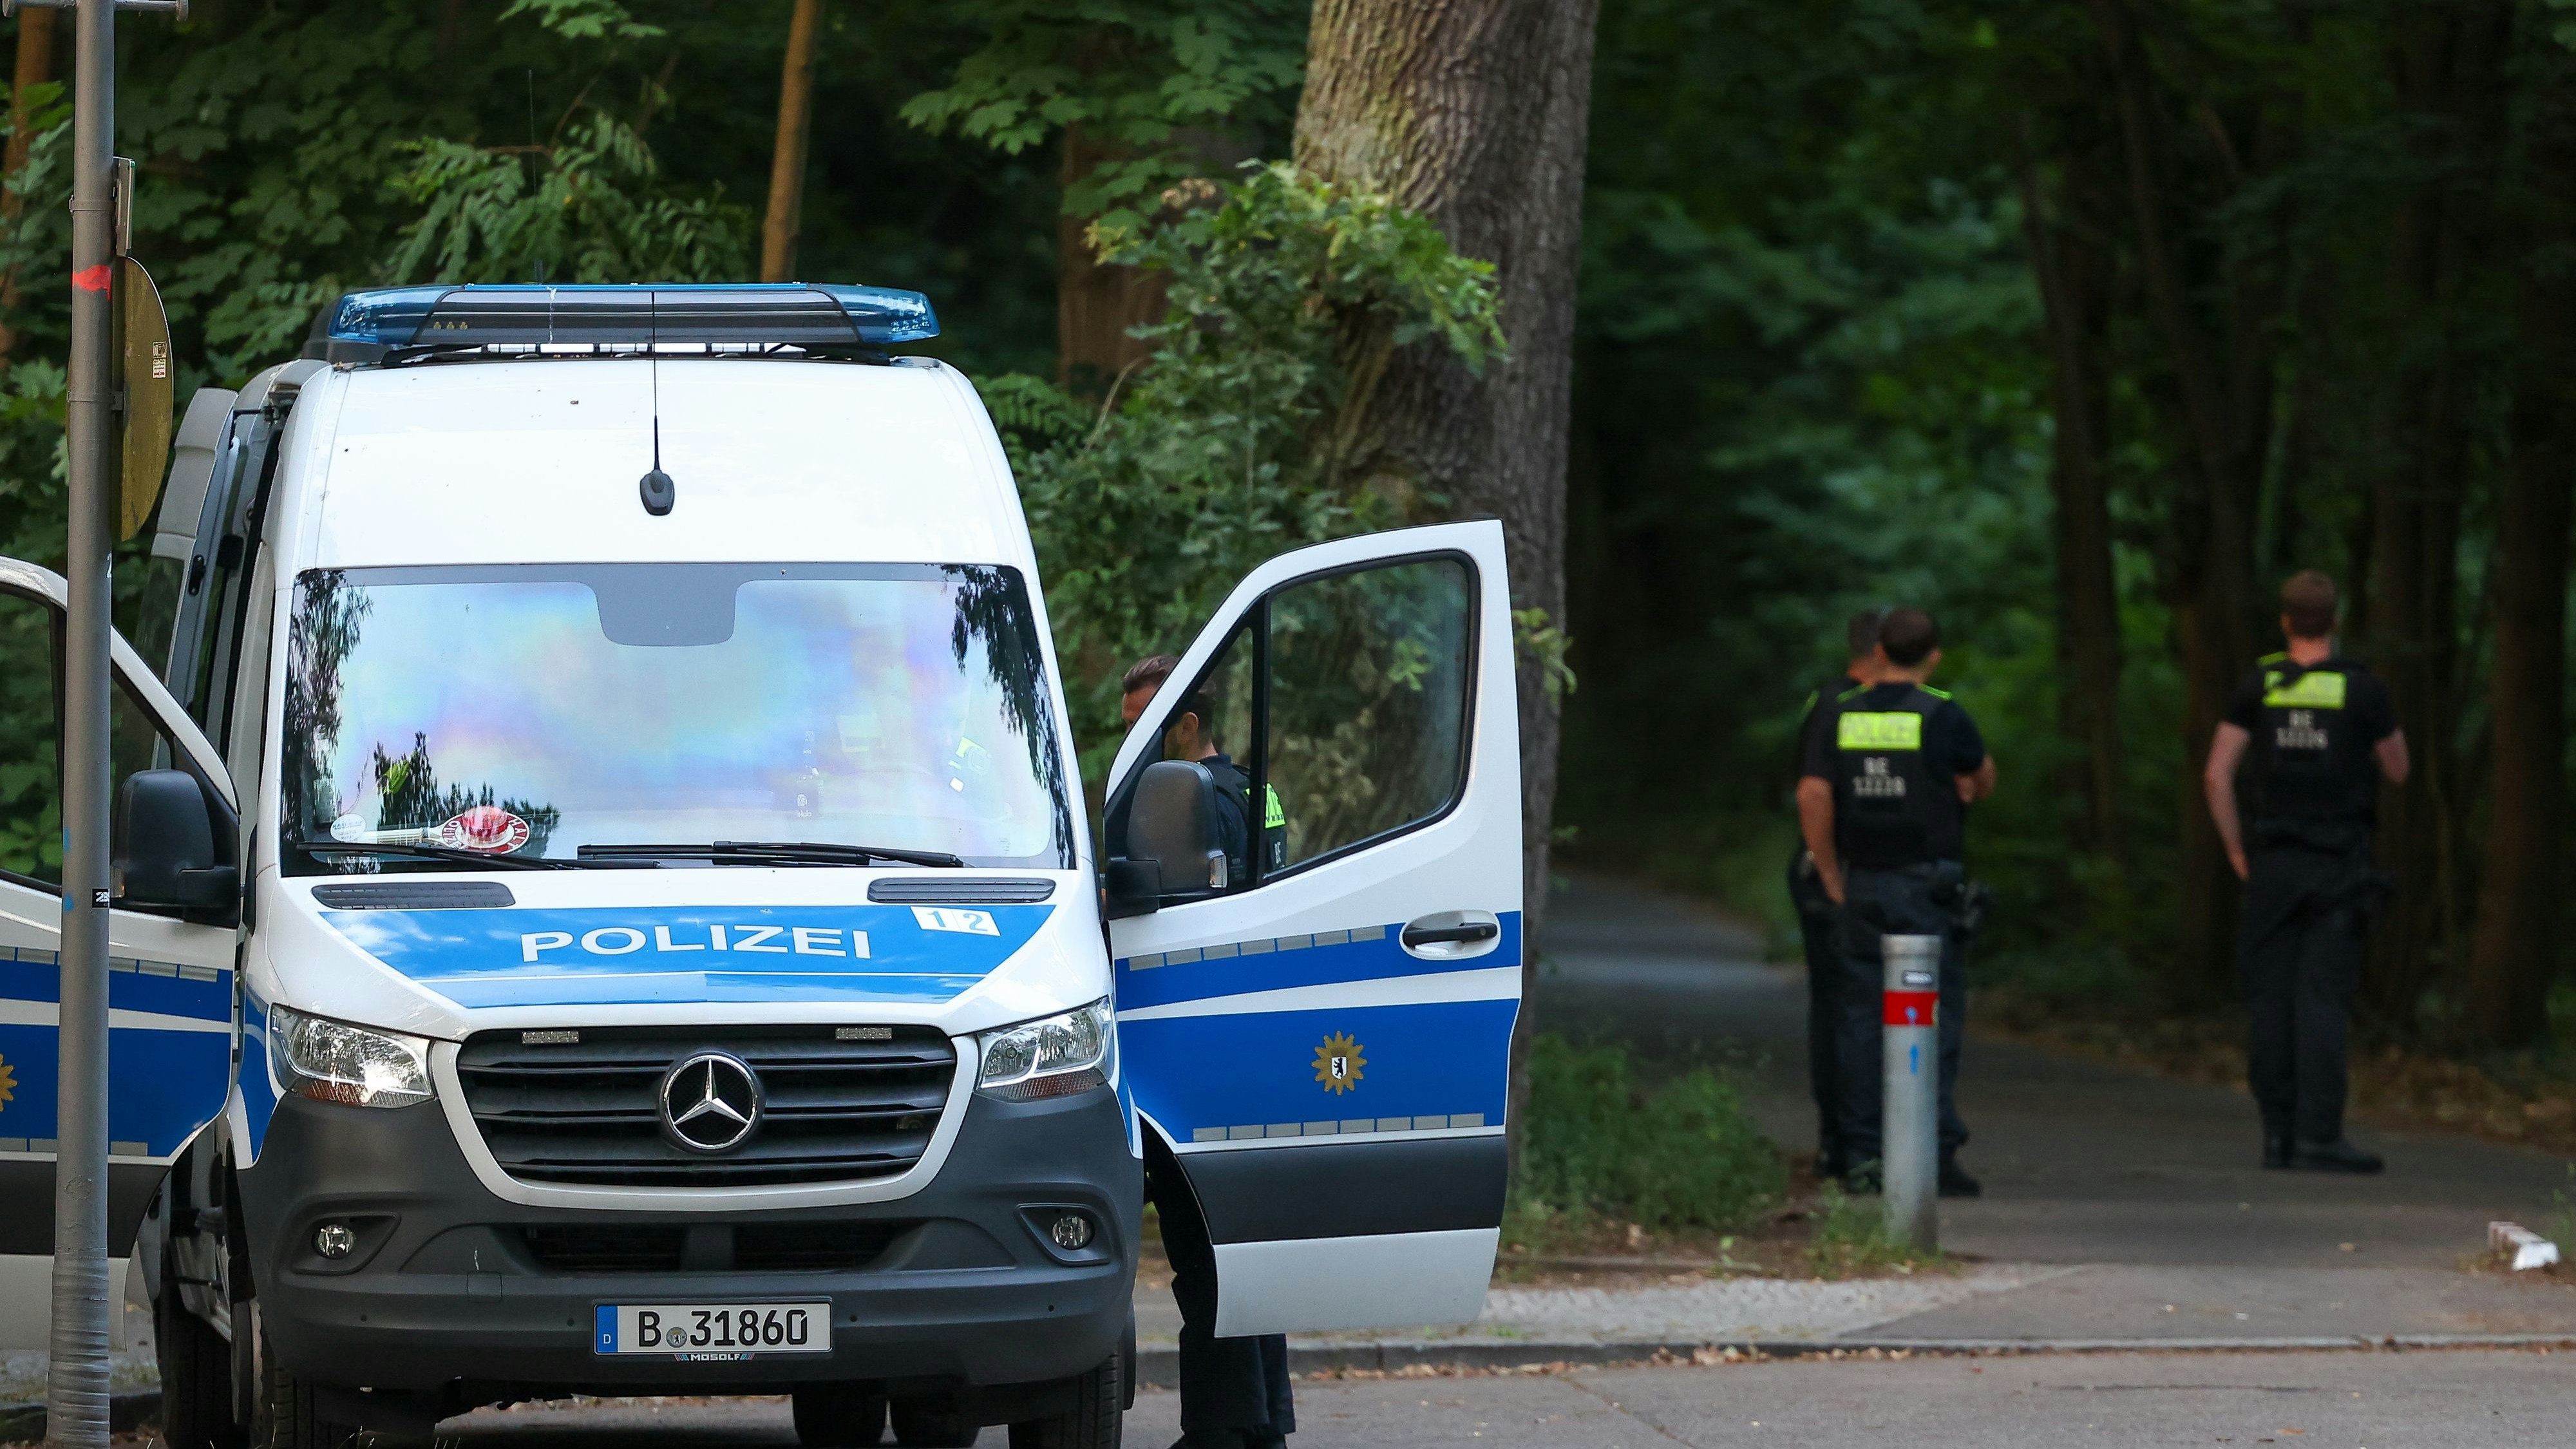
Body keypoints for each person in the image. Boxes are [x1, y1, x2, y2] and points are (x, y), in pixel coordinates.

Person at [1119, 654, 1297, 1448]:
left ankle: (1223, 1432)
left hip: (1197, 1043)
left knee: (1201, 1255)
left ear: (1187, 726)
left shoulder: (1179, 802)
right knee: (1248, 1260)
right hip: (1260, 1039)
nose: (1135, 753)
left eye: (1145, 733)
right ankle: (1262, 1426)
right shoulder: (1260, 793)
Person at [2202, 571, 2407, 1175]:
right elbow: (2399, 770)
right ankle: (2319, 1135)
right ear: (2336, 621)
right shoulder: (2363, 690)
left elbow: (2217, 775)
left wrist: (2238, 851)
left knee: (2270, 999)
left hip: (2272, 862)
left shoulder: (2259, 685)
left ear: (2287, 622)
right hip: (2338, 864)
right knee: (2322, 1000)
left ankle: (2276, 1136)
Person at [1797, 608, 1994, 1197]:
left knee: (1858, 1020)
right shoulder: (1943, 713)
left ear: (1879, 649)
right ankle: (1930, 1153)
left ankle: (1862, 1156)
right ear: (1933, 656)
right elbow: (1981, 778)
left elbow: (1813, 792)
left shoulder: (1842, 712)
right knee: (1931, 1018)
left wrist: (1831, 872)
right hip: (1926, 888)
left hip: (1864, 885)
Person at [1788, 607, 1888, 1182]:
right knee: (1847, 1011)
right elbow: (1813, 794)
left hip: (1839, 873)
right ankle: (1850, 1145)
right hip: (1837, 876)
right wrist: (1829, 876)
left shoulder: (1826, 702)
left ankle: (1846, 1142)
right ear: (1880, 654)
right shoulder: (1842, 705)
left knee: (1841, 1010)